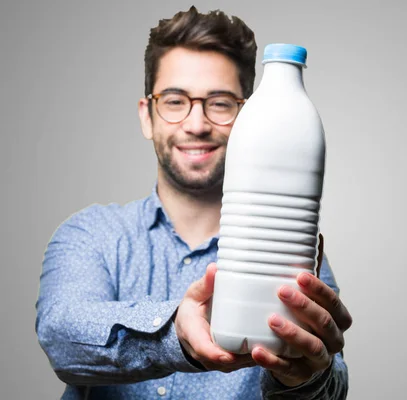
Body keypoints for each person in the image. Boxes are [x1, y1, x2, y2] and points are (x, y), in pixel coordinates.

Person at [35, 6, 352, 400]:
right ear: (147, 116)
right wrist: (176, 333)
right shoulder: (92, 235)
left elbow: (333, 387)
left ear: (251, 117)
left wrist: (305, 377)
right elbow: (60, 335)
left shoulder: (294, 262)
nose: (197, 123)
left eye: (220, 102)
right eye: (174, 100)